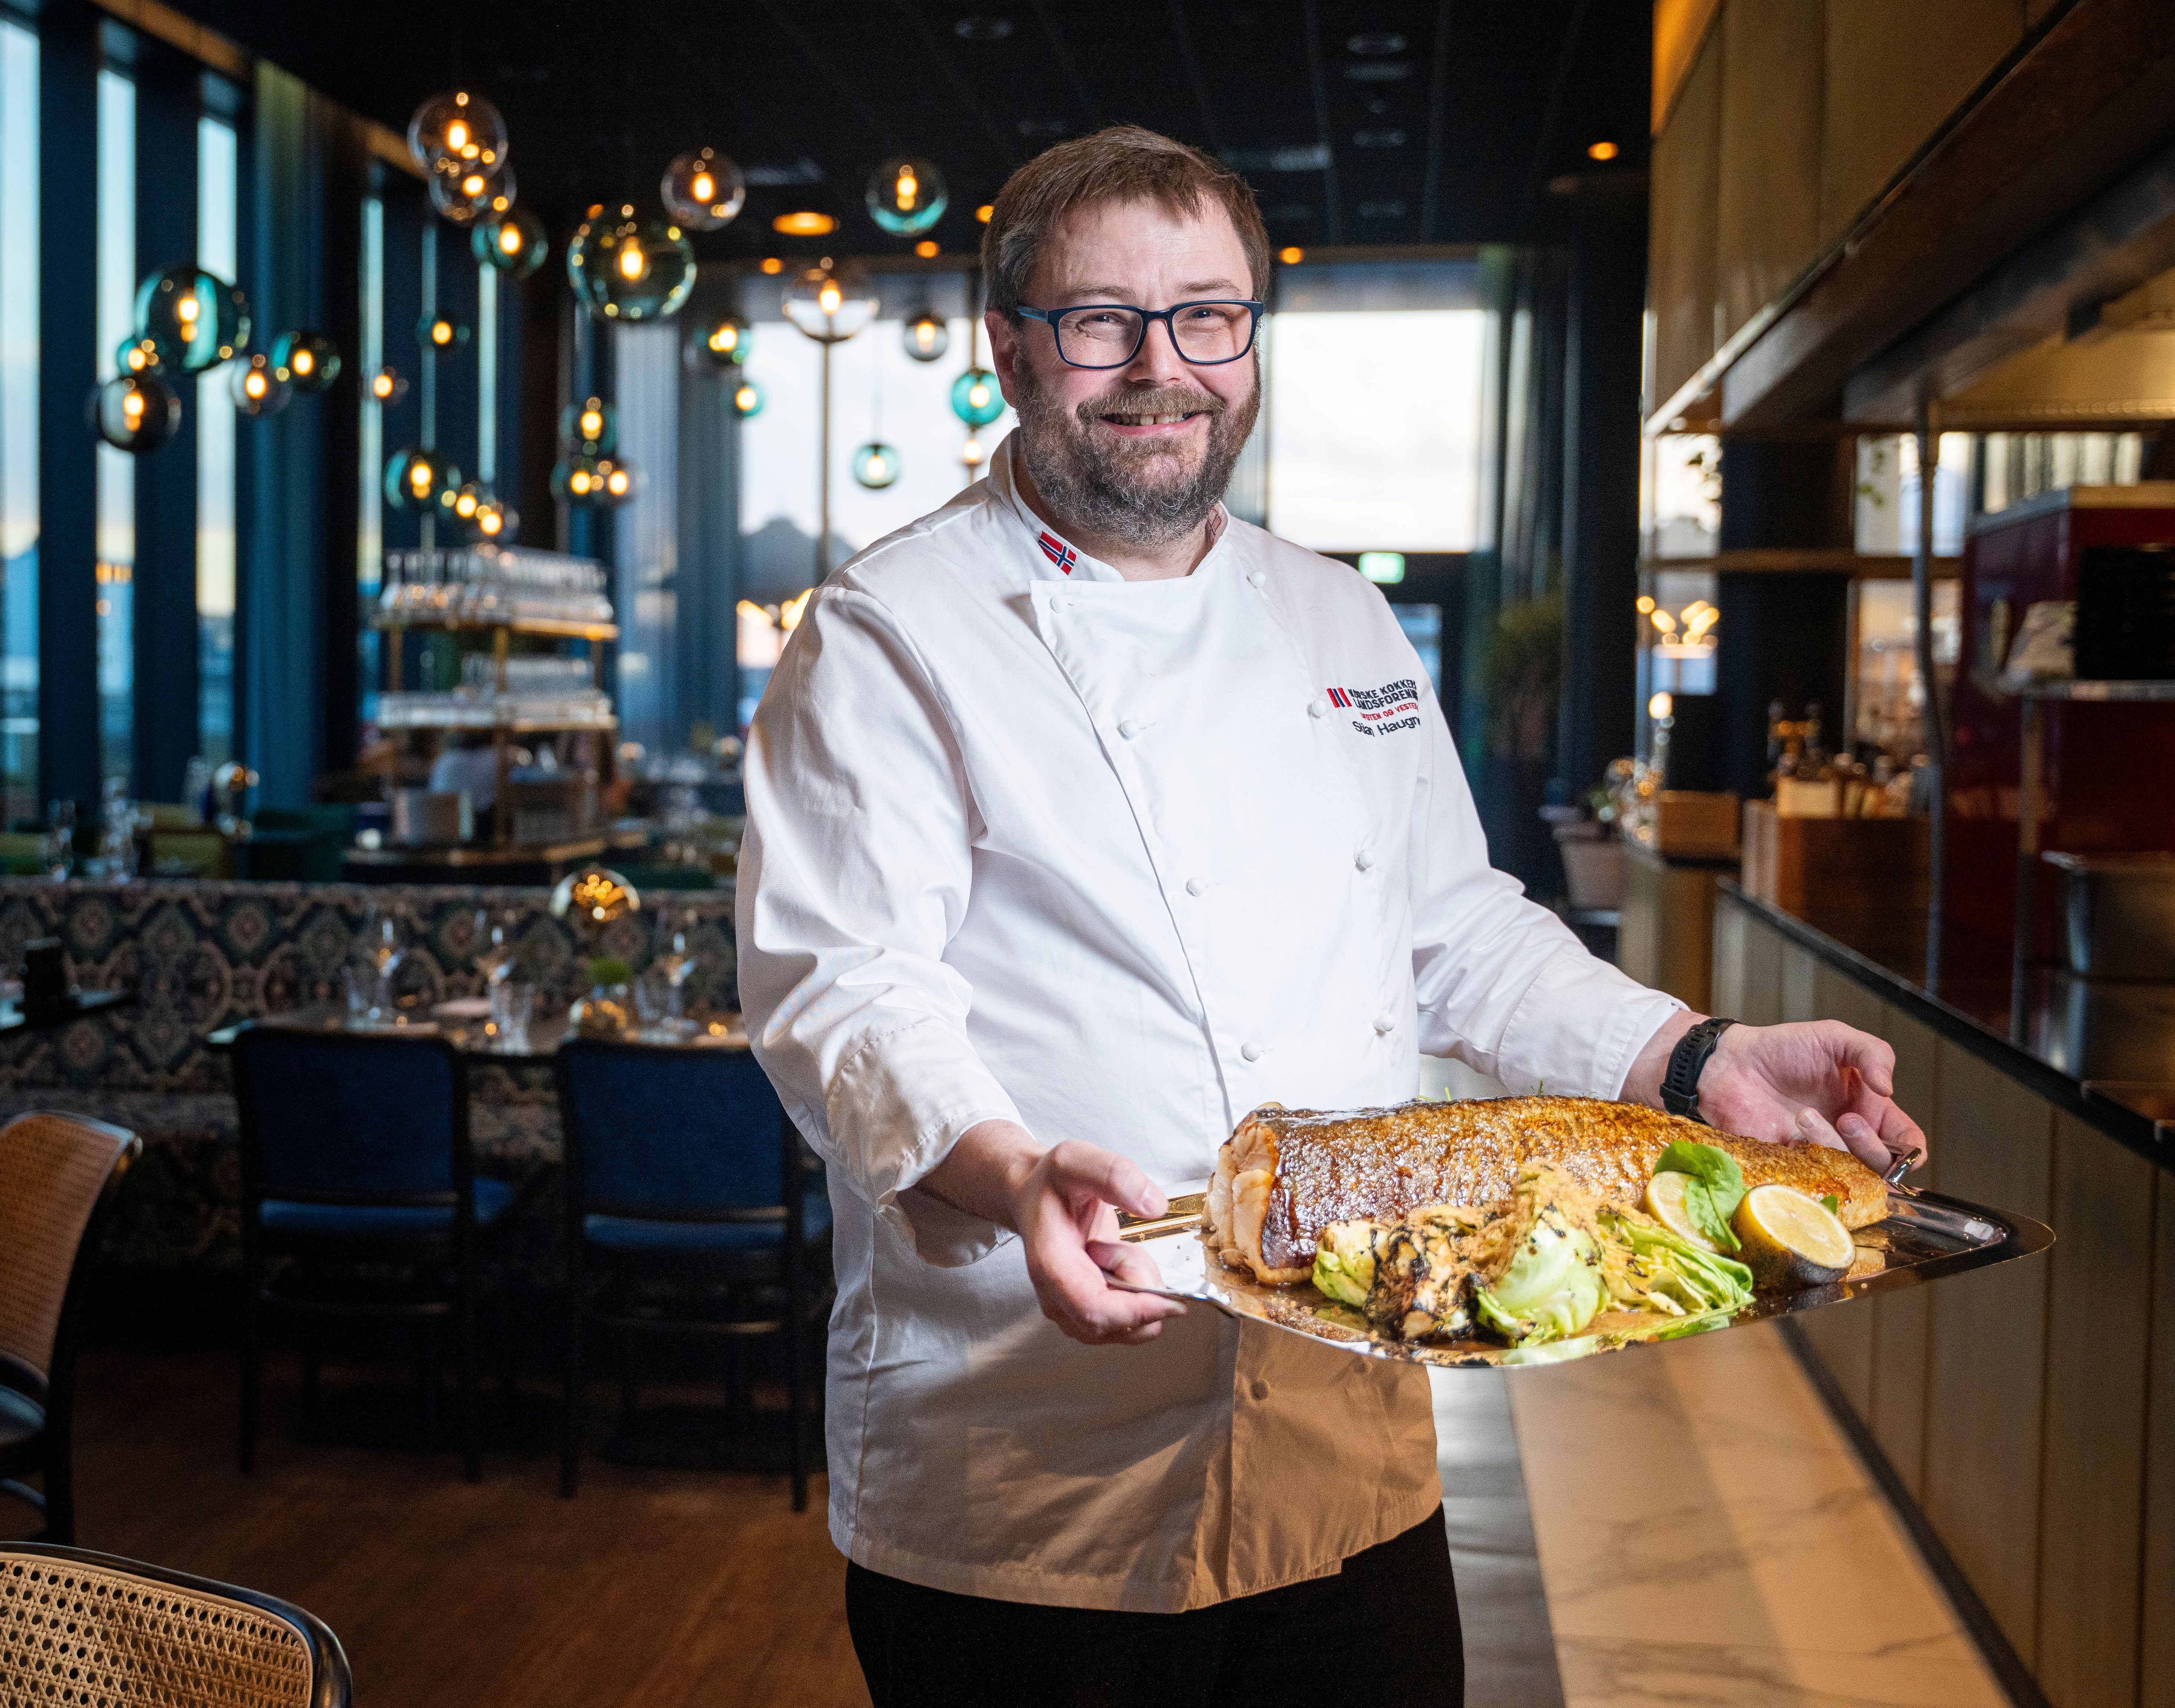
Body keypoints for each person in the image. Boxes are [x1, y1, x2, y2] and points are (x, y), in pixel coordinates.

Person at [735, 125, 1927, 1708]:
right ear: (1009, 347)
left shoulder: (1334, 613)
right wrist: (1013, 1168)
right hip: (1032, 1468)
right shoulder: (893, 628)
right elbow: (845, 991)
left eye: (1205, 315)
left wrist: (1697, 1058)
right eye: (1099, 320)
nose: (1159, 367)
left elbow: (1453, 929)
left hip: (1349, 1430)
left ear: (1248, 338)